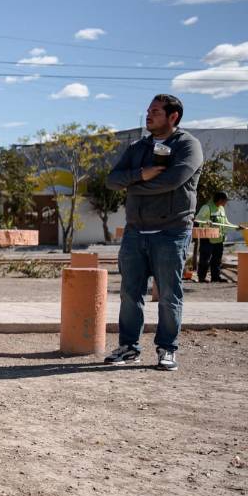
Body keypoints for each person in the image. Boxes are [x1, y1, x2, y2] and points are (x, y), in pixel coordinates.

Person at [104, 94, 203, 371]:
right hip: (135, 232)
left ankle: (167, 349)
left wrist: (132, 185)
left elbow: (172, 181)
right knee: (129, 294)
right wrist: (141, 174)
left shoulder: (188, 145)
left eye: (156, 111)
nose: (149, 115)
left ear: (173, 116)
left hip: (172, 232)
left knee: (169, 295)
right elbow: (112, 180)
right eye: (148, 110)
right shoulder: (138, 148)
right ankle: (129, 348)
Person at [194, 191, 234, 283]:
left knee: (217, 259)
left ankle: (215, 277)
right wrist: (206, 221)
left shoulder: (221, 209)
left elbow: (225, 223)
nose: (226, 203)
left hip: (219, 238)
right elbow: (198, 219)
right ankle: (202, 277)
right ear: (220, 200)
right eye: (225, 200)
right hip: (207, 237)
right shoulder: (207, 207)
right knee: (205, 258)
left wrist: (237, 228)